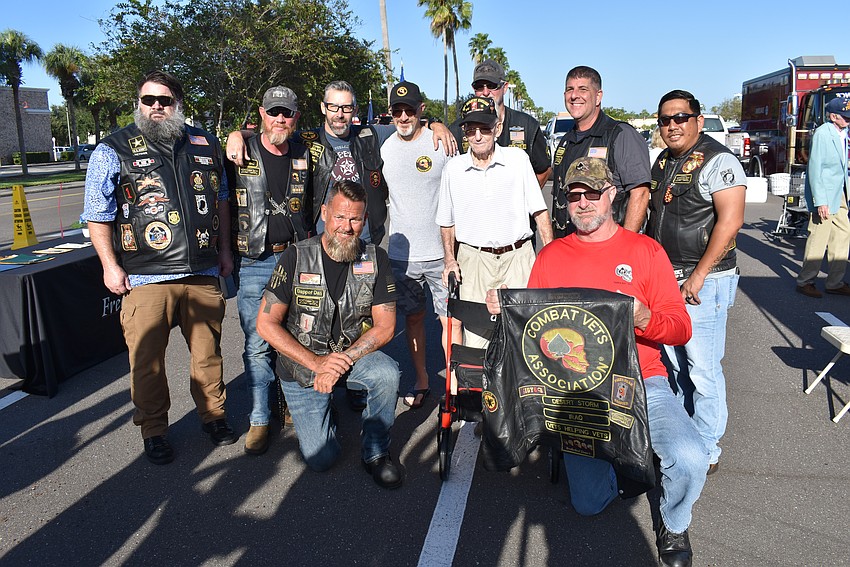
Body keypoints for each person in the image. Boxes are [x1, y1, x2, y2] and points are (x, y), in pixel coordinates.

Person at [486, 157, 707, 567]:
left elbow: (680, 328)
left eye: (592, 193)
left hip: (642, 381)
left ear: (612, 197)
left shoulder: (645, 251)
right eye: (574, 196)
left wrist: (646, 318)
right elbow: (533, 327)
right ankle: (625, 468)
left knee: (690, 457)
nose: (583, 203)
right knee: (587, 504)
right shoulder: (552, 255)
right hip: (576, 391)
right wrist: (506, 306)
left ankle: (674, 524)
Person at [228, 80, 455, 410]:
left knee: (358, 319)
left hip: (363, 244)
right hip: (323, 246)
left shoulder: (368, 137)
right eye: (333, 106)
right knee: (314, 320)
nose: (340, 113)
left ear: (355, 111)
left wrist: (436, 123)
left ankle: (356, 383)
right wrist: (238, 134)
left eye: (347, 107)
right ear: (323, 108)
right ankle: (290, 400)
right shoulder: (308, 140)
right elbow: (271, 130)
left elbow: (408, 125)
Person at [83, 70, 237, 465]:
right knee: (146, 362)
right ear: (138, 103)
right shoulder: (111, 149)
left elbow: (220, 199)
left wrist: (223, 252)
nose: (156, 106)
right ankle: (154, 430)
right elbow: (97, 214)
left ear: (177, 104)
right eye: (148, 99)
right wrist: (109, 266)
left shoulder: (204, 142)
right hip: (145, 275)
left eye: (164, 100)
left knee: (208, 356)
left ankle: (214, 417)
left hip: (201, 272)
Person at [256, 180, 403, 489]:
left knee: (387, 373)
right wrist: (317, 363)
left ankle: (376, 452)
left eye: (355, 219)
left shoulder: (377, 259)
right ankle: (326, 411)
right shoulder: (295, 256)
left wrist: (341, 361)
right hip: (301, 364)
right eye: (340, 216)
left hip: (349, 356)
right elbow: (266, 324)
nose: (347, 227)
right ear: (325, 214)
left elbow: (386, 326)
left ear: (364, 221)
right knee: (322, 459)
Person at [646, 89, 746, 476]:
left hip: (704, 280)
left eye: (680, 118)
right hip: (667, 278)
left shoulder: (719, 159)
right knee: (672, 365)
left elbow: (731, 220)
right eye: (665, 120)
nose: (672, 126)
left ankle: (707, 447)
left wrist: (699, 275)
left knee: (702, 369)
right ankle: (684, 436)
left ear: (698, 120)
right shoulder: (663, 162)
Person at [226, 85, 313, 455]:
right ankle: (260, 418)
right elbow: (222, 203)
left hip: (295, 258)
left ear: (296, 117)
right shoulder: (238, 151)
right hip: (255, 263)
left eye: (287, 113)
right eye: (274, 111)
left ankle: (293, 405)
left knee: (298, 336)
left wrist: (436, 125)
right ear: (261, 113)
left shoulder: (305, 151)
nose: (280, 118)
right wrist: (237, 133)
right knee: (257, 344)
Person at [436, 96, 553, 348]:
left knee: (526, 335)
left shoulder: (518, 160)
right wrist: (449, 260)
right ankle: (481, 389)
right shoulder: (453, 169)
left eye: (485, 128)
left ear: (497, 129)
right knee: (477, 341)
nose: (478, 136)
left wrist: (551, 256)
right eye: (470, 129)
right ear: (464, 133)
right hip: (473, 261)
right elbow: (446, 222)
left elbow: (540, 212)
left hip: (518, 258)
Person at [381, 80, 462, 409]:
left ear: (421, 111)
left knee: (449, 320)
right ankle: (423, 380)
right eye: (397, 111)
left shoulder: (440, 141)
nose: (403, 116)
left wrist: (438, 125)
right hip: (402, 257)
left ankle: (454, 388)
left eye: (409, 110)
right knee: (413, 319)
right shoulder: (385, 148)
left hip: (442, 255)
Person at [551, 66, 650, 237]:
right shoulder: (566, 141)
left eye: (583, 89)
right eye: (570, 89)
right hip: (571, 247)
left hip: (607, 246)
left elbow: (640, 193)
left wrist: (624, 244)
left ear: (598, 96)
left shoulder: (620, 135)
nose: (574, 95)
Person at [449, 59, 551, 188]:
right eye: (479, 87)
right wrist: (434, 124)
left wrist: (526, 201)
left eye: (492, 85)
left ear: (505, 87)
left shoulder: (527, 125)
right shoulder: (457, 128)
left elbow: (544, 170)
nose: (485, 92)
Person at [795, 97, 850, 298]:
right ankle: (805, 281)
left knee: (843, 236)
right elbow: (815, 168)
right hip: (825, 193)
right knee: (819, 238)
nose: (848, 120)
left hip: (841, 191)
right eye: (845, 117)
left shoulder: (844, 132)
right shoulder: (823, 133)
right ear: (833, 116)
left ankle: (835, 282)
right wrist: (820, 201)